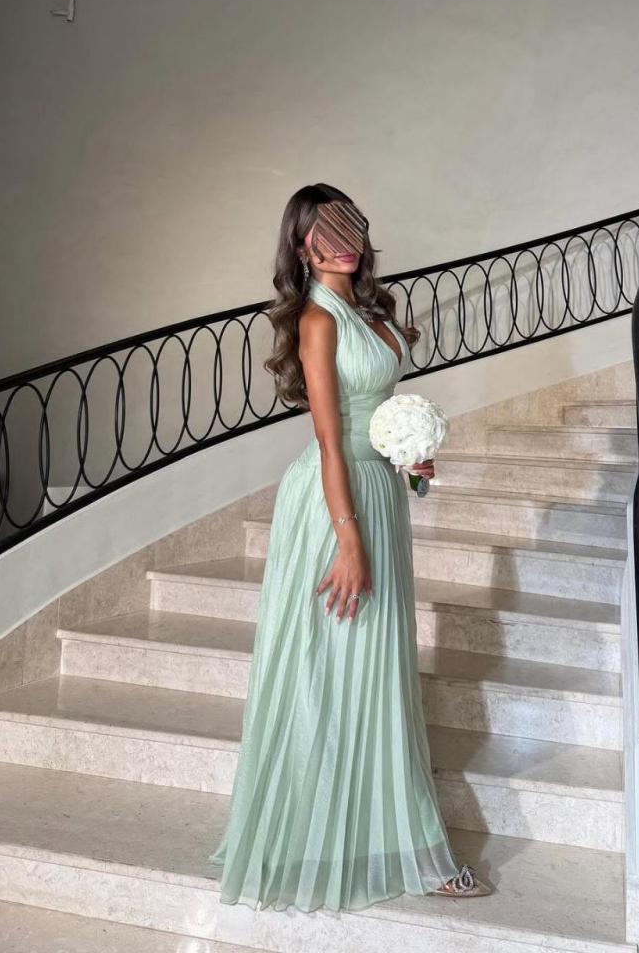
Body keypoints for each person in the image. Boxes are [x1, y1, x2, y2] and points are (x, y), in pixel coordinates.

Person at [208, 182, 492, 912]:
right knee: (330, 666)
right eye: (324, 232)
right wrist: (348, 541)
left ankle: (392, 836)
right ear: (302, 245)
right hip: (334, 504)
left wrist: (411, 459)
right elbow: (330, 440)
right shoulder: (316, 319)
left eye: (350, 227)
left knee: (380, 668)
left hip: (379, 492)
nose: (343, 243)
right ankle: (356, 843)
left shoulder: (372, 313)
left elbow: (375, 419)